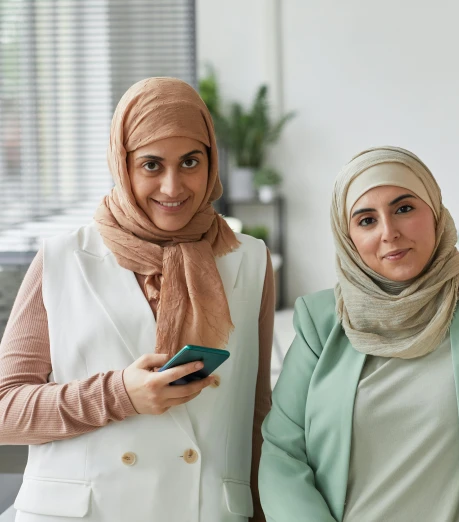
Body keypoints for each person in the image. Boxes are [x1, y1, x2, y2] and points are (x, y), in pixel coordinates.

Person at [0, 77, 273, 522]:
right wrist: (120, 394)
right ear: (122, 165)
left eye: (190, 161)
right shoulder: (63, 258)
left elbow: (256, 417)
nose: (172, 186)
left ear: (212, 162)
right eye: (151, 165)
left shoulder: (250, 261)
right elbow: (5, 409)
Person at [259, 146, 459, 521]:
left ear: (434, 210)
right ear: (347, 236)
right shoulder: (321, 320)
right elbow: (282, 450)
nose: (390, 233)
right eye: (366, 221)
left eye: (404, 209)